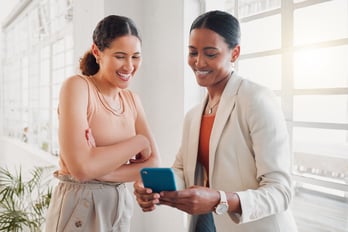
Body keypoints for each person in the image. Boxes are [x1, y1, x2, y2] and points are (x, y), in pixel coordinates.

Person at [134, 10, 298, 232]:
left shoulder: (256, 100)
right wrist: (154, 189)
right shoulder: (193, 116)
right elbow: (182, 171)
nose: (199, 62)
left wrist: (220, 200)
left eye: (210, 54)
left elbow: (281, 191)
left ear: (235, 53)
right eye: (192, 52)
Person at [45, 15, 160, 232]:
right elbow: (81, 169)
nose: (129, 66)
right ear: (97, 52)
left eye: (136, 57)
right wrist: (139, 141)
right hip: (80, 206)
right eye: (120, 56)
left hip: (118, 206)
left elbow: (153, 164)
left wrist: (101, 170)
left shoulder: (132, 100)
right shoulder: (77, 87)